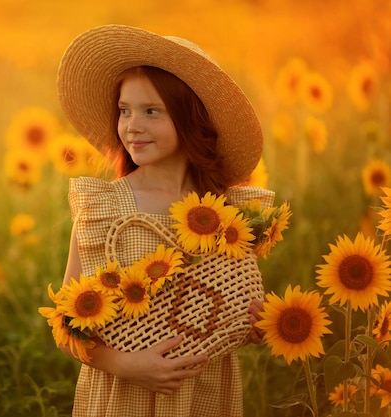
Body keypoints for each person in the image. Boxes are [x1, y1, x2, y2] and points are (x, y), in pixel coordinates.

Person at [56, 24, 269, 417]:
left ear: (192, 120)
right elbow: (67, 325)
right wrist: (127, 366)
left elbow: (230, 307)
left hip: (205, 397)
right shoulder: (105, 210)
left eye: (151, 111)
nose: (132, 125)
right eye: (124, 111)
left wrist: (257, 326)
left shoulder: (228, 216)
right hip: (123, 397)